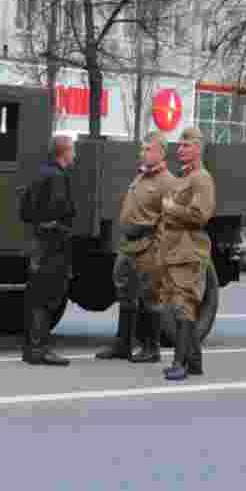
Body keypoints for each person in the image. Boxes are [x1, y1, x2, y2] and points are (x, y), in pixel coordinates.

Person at [96, 131, 177, 363]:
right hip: (129, 245)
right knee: (125, 294)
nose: (143, 153)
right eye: (142, 149)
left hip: (149, 246)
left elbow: (169, 221)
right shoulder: (141, 176)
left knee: (151, 296)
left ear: (161, 152)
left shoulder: (168, 182)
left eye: (148, 149)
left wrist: (158, 250)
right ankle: (123, 344)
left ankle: (152, 348)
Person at [156, 127, 216, 381]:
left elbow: (200, 215)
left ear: (198, 148)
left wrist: (172, 209)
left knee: (183, 306)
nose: (180, 149)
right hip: (175, 248)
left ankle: (179, 363)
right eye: (179, 145)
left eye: (186, 145)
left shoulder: (201, 178)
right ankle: (195, 362)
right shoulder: (185, 177)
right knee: (179, 304)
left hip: (188, 249)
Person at [22, 133, 77, 366]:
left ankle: (31, 349)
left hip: (38, 242)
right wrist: (61, 229)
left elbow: (24, 211)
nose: (74, 154)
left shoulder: (39, 174)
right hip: (53, 245)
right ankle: (41, 349)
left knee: (36, 295)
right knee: (47, 298)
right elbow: (61, 209)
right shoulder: (58, 177)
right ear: (64, 152)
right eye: (72, 150)